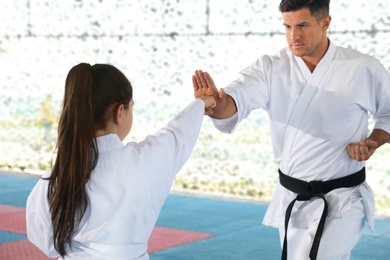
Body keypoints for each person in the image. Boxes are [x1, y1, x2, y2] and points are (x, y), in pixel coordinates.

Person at [192, 0, 390, 259]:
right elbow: (238, 98)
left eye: (303, 25)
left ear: (325, 22)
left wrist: (373, 141)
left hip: (344, 198)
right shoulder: (270, 67)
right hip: (293, 197)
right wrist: (218, 107)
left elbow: (387, 112)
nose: (293, 36)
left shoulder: (362, 67)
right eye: (287, 27)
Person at [26, 63, 216, 259]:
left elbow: (46, 242)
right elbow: (177, 133)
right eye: (131, 108)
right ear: (120, 112)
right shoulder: (147, 160)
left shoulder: (57, 176)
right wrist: (201, 103)